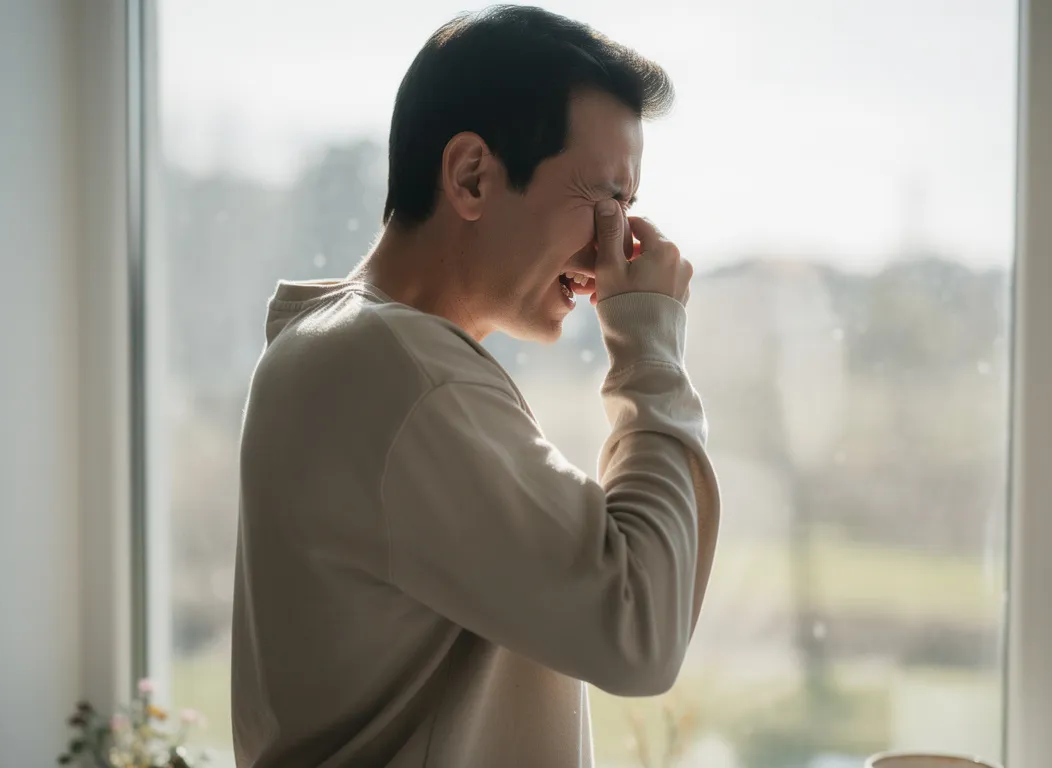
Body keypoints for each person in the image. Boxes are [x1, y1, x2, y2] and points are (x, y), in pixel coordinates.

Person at [231, 6, 720, 766]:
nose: (619, 242)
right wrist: (649, 343)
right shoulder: (399, 374)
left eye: (628, 205)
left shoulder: (339, 347)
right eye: (604, 198)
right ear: (471, 176)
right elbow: (640, 633)